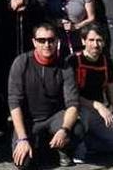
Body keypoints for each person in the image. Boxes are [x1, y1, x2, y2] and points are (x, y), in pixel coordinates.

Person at [8, 22, 85, 169]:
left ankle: (61, 150)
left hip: (53, 117)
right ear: (34, 42)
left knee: (77, 128)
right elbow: (14, 103)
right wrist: (22, 138)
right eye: (41, 40)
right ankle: (38, 145)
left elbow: (73, 104)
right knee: (23, 164)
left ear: (57, 41)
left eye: (51, 40)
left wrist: (64, 130)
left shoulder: (65, 66)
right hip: (28, 120)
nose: (47, 44)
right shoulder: (21, 63)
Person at [0, 0, 48, 139]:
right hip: (6, 41)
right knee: (5, 82)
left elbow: (42, 6)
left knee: (30, 82)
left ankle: (30, 121)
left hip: (29, 41)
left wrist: (25, 2)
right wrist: (9, 5)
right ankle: (3, 124)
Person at [68, 24, 113, 161]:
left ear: (104, 42)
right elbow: (69, 96)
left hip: (99, 113)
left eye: (99, 40)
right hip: (78, 109)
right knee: (82, 116)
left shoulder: (105, 61)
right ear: (83, 41)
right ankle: (76, 147)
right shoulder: (73, 61)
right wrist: (98, 105)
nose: (95, 45)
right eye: (91, 40)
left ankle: (88, 143)